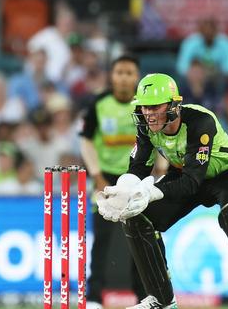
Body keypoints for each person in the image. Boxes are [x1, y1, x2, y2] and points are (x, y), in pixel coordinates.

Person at [96, 73, 228, 309]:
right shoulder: (147, 127)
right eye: (144, 107)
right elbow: (139, 167)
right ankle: (161, 300)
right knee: (136, 217)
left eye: (154, 106)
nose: (148, 113)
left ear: (174, 105)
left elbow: (191, 182)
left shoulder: (200, 121)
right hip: (185, 173)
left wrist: (150, 193)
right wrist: (121, 192)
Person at [79, 55, 145, 308]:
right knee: (102, 238)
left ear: (137, 77)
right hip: (104, 179)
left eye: (129, 72)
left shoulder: (144, 104)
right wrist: (96, 175)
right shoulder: (99, 103)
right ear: (112, 76)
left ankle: (143, 296)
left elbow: (157, 138)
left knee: (140, 238)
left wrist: (156, 173)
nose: (124, 77)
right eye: (119, 72)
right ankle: (94, 297)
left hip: (137, 177)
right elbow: (85, 140)